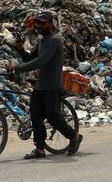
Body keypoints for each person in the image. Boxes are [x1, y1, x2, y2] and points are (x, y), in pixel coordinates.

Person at [7, 11, 83, 159]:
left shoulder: (55, 40)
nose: (39, 26)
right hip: (40, 86)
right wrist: (21, 50)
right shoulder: (42, 41)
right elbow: (31, 58)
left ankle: (74, 136)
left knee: (53, 117)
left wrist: (18, 67)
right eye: (38, 23)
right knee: (36, 117)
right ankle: (40, 149)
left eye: (43, 23)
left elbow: (40, 62)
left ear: (50, 24)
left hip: (52, 86)